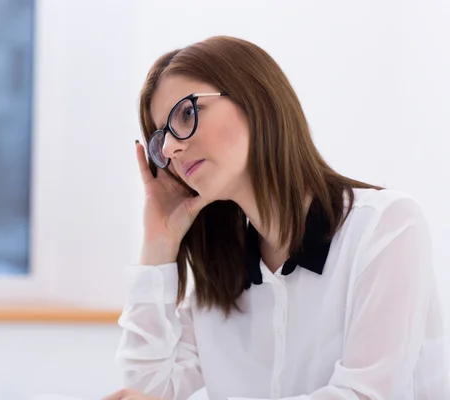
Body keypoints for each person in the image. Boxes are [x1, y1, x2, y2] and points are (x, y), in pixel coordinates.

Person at [102, 36, 449, 400]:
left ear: (254, 99)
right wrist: (159, 242)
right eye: (161, 140)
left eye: (186, 114)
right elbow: (145, 392)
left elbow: (366, 395)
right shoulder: (221, 277)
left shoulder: (386, 227)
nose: (171, 149)